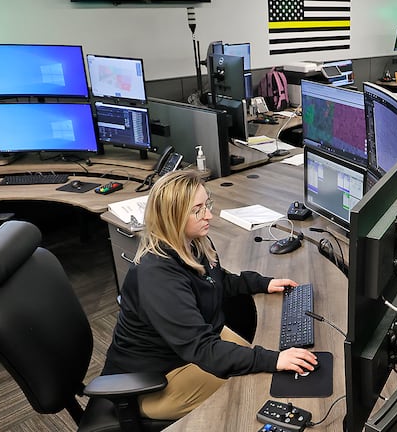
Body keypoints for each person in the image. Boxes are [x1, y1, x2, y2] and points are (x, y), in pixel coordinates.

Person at [101, 170, 317, 420]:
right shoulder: (157, 276)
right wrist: (273, 360)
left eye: (207, 205)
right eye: (197, 210)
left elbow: (217, 280)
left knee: (267, 364)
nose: (208, 215)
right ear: (173, 218)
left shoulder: (193, 243)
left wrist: (263, 283)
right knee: (257, 387)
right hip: (156, 379)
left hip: (190, 346)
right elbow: (202, 349)